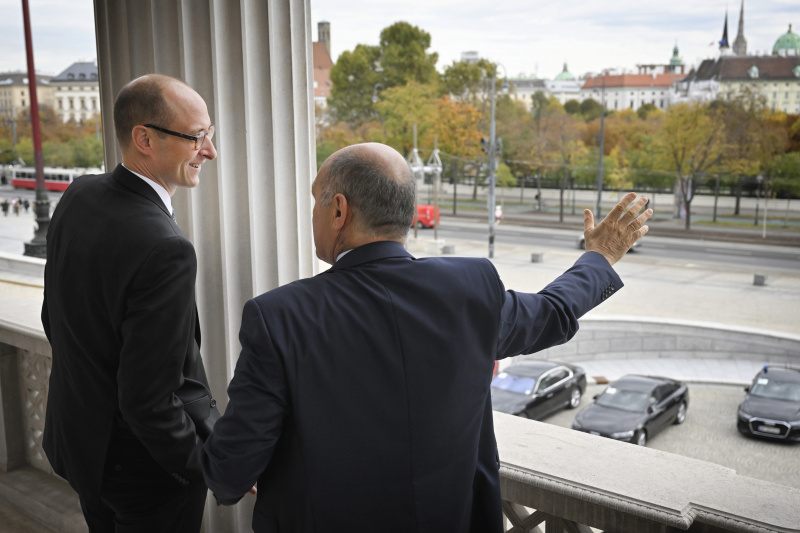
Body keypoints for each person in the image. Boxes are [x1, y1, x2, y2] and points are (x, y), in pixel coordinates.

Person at [201, 143, 651, 532]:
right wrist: (601, 256)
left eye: (316, 202)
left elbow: (229, 471)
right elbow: (552, 313)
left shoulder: (279, 316)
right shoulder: (472, 288)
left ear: (339, 210)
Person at [42, 74, 218, 533]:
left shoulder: (78, 194)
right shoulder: (166, 248)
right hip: (145, 478)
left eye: (210, 135)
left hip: (82, 452)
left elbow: (54, 319)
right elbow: (149, 401)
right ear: (144, 139)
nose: (210, 151)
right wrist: (201, 466)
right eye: (197, 137)